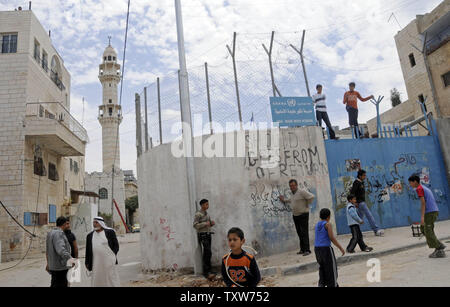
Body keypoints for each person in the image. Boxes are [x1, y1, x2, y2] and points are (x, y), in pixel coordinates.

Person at [408, 175, 446, 258]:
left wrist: (422, 217)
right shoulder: (423, 187)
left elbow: (423, 203)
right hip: (431, 212)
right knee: (423, 229)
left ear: (415, 182)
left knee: (428, 231)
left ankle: (439, 250)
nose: (410, 184)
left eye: (410, 182)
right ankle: (438, 245)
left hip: (430, 212)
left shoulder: (419, 189)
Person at [279, 179, 315, 256]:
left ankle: (307, 250)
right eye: (290, 186)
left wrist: (307, 204)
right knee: (299, 233)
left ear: (296, 185)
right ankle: (302, 249)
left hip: (303, 215)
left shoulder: (302, 191)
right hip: (295, 215)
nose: (292, 187)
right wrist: (284, 200)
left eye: (293, 185)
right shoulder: (292, 194)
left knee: (304, 232)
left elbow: (311, 196)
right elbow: (291, 200)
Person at [85, 216, 120, 287]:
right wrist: (87, 262)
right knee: (97, 278)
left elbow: (116, 246)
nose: (94, 224)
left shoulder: (110, 232)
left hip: (109, 261)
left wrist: (112, 256)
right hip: (96, 262)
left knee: (110, 277)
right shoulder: (90, 236)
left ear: (101, 223)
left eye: (96, 222)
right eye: (93, 222)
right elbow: (88, 250)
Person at [314, 208, 345, 287]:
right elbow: (331, 238)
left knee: (322, 268)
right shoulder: (328, 224)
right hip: (326, 249)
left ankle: (321, 284)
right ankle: (333, 285)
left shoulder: (317, 224)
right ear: (328, 217)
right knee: (331, 270)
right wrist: (340, 247)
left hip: (317, 249)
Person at [350, 169, 384, 236]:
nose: (365, 177)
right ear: (360, 176)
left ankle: (356, 233)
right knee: (369, 216)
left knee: (359, 218)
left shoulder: (361, 182)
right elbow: (352, 193)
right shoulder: (356, 183)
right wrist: (355, 202)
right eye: (364, 175)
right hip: (360, 203)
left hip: (361, 202)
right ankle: (376, 230)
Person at [46, 216, 75, 287]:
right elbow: (61, 250)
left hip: (53, 266)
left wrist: (48, 263)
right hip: (60, 267)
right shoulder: (59, 233)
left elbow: (47, 251)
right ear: (64, 224)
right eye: (66, 224)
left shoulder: (51, 233)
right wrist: (71, 259)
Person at [193, 199, 216, 279]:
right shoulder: (198, 214)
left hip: (208, 234)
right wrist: (205, 223)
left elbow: (208, 224)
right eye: (206, 204)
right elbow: (195, 225)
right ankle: (206, 272)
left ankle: (210, 270)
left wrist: (211, 223)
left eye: (208, 204)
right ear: (202, 205)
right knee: (207, 252)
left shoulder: (207, 214)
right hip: (203, 235)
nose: (207, 206)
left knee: (209, 253)